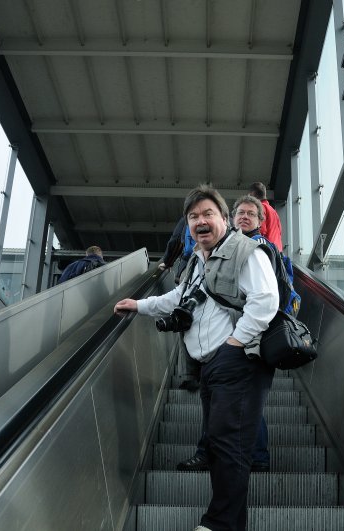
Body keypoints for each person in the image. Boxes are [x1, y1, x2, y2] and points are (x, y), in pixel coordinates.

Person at [114, 184, 278, 531]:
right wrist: (139, 305)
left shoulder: (247, 252)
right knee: (223, 445)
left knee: (226, 443)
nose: (200, 221)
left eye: (207, 214)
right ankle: (231, 524)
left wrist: (235, 343)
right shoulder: (197, 262)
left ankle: (218, 522)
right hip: (210, 366)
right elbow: (177, 297)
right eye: (193, 217)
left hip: (239, 360)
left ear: (224, 218)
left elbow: (265, 301)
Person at [176, 194, 276, 475]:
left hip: (243, 345)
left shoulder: (255, 250)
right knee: (227, 406)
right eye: (240, 213)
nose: (244, 217)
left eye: (251, 215)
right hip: (222, 348)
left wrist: (234, 343)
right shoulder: (209, 253)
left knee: (241, 406)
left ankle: (253, 458)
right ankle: (218, 455)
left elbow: (268, 299)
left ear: (260, 221)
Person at [248, 181, 282, 251]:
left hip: (268, 249)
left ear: (252, 194)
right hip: (278, 250)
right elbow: (280, 231)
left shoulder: (261, 208)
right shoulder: (273, 211)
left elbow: (261, 230)